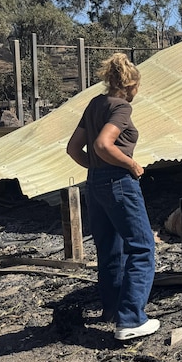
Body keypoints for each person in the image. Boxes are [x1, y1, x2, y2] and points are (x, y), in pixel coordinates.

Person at [66, 53, 160, 341]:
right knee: (142, 247)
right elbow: (103, 144)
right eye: (137, 87)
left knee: (109, 248)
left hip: (95, 183)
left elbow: (73, 149)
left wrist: (96, 169)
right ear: (130, 85)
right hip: (119, 183)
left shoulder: (95, 104)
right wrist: (130, 165)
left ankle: (113, 309)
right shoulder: (120, 107)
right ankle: (131, 319)